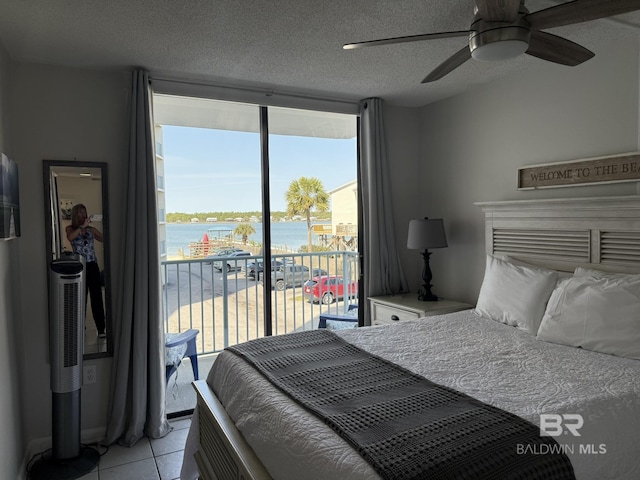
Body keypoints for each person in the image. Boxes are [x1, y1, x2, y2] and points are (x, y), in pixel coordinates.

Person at [66, 203, 106, 338]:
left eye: (85, 212)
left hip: (92, 266)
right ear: (76, 215)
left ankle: (101, 329)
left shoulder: (91, 229)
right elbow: (70, 238)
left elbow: (103, 239)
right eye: (81, 213)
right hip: (79, 267)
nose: (84, 215)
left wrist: (102, 224)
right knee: (80, 298)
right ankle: (79, 326)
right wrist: (81, 228)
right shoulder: (70, 228)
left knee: (97, 298)